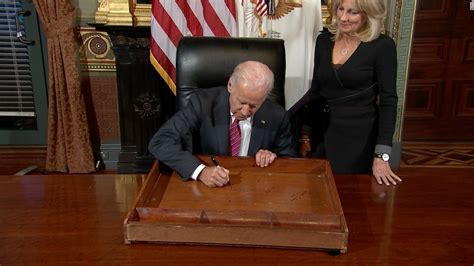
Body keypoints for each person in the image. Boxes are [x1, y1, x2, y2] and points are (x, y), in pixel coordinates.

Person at [149, 61, 297, 188]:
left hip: (254, 188)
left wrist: (272, 157)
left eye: (254, 105)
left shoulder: (277, 115)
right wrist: (200, 171)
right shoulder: (202, 103)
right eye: (241, 102)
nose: (245, 111)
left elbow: (290, 161)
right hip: (206, 188)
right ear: (230, 86)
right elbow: (160, 142)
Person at [301, 0, 402, 186]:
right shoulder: (324, 40)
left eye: (352, 12)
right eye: (340, 9)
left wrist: (382, 155)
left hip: (358, 138)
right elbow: (315, 91)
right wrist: (305, 134)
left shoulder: (382, 46)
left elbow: (389, 101)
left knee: (351, 198)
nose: (343, 17)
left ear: (367, 14)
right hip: (323, 134)